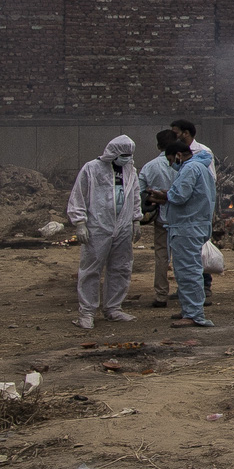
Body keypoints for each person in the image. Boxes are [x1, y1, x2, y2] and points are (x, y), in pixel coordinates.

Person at [68, 135, 140, 329]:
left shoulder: (129, 170)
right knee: (91, 269)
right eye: (124, 154)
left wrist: (136, 220)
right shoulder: (91, 169)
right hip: (98, 225)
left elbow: (134, 194)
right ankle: (87, 312)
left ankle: (113, 308)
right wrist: (80, 222)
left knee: (121, 267)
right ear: (113, 153)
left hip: (123, 225)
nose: (127, 158)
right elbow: (79, 195)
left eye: (129, 155)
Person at [164, 138, 216, 327]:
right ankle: (189, 309)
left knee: (188, 271)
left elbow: (180, 195)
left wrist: (164, 195)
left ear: (178, 155)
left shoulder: (190, 169)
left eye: (171, 160)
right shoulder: (200, 167)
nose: (172, 165)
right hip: (193, 225)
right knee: (187, 269)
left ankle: (194, 314)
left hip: (187, 226)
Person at [139, 128, 181, 308]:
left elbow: (140, 193)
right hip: (182, 218)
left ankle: (161, 295)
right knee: (183, 257)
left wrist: (154, 199)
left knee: (161, 257)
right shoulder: (186, 165)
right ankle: (186, 292)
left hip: (161, 218)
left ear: (158, 145)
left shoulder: (149, 167)